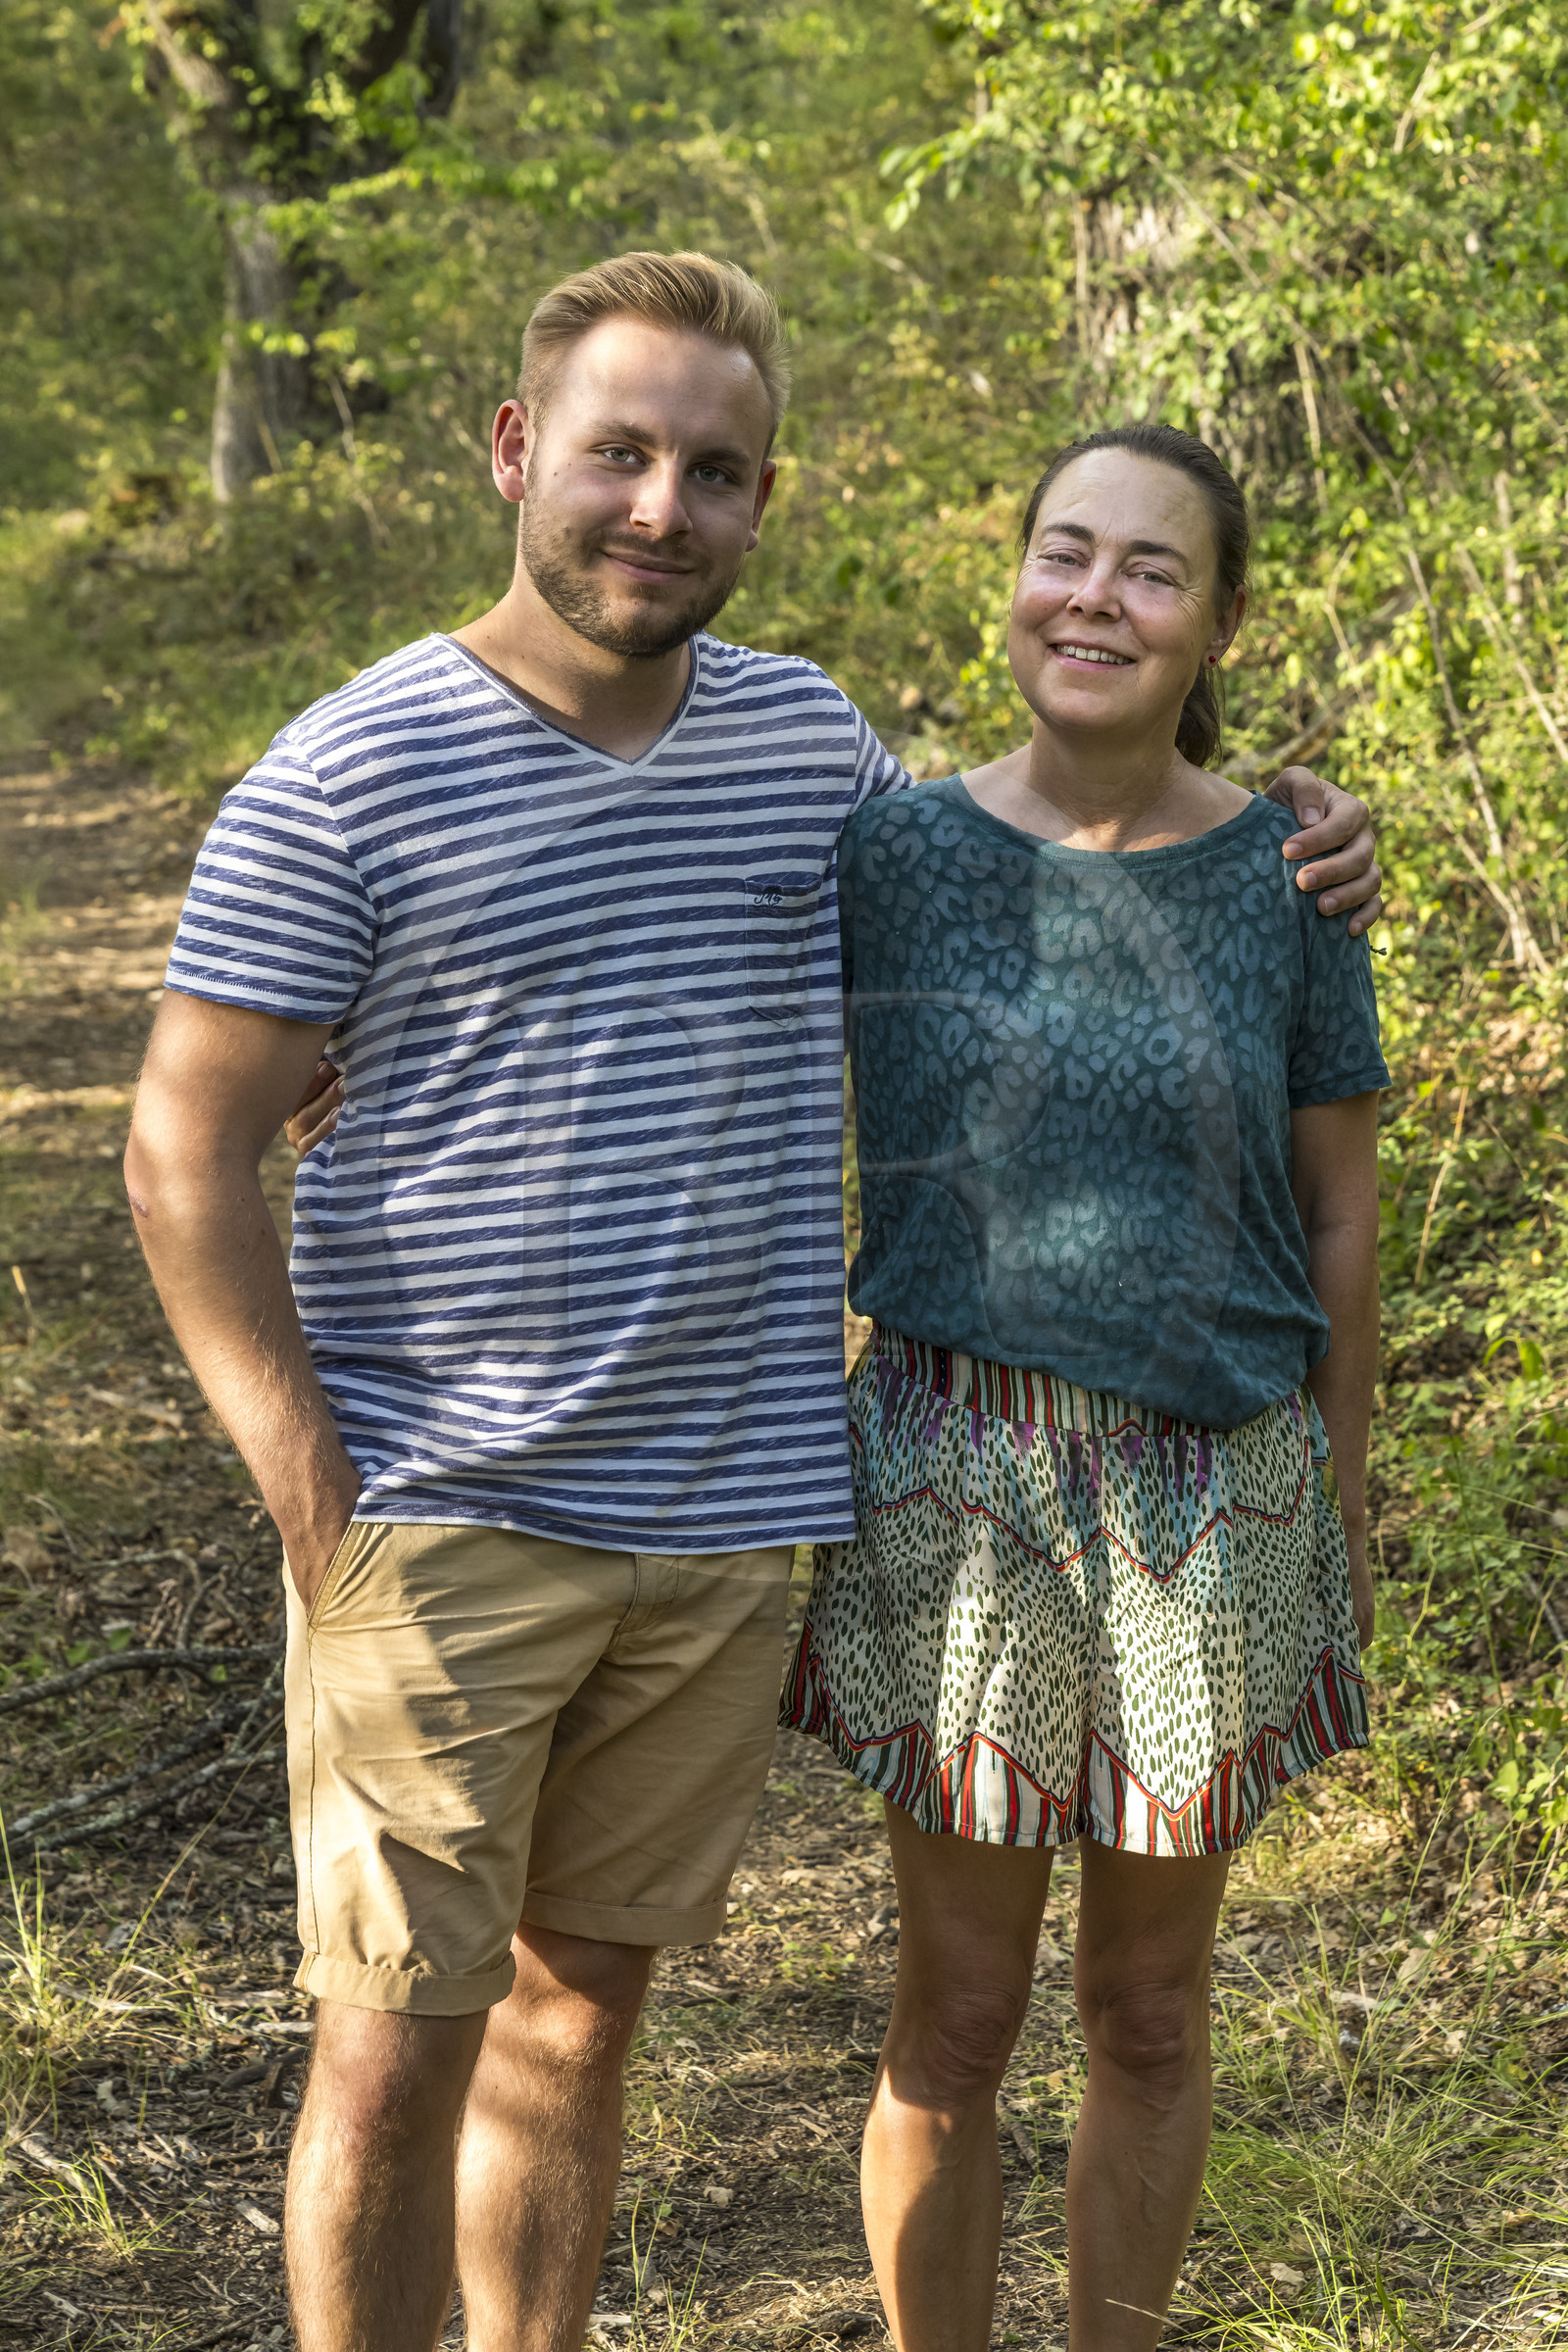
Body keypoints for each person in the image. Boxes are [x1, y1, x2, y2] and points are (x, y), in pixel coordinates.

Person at [126, 247, 1381, 2352]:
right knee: (385, 2044)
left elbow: (1063, 875)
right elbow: (181, 1147)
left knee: (572, 2022)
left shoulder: (810, 758)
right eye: (616, 454)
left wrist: (1306, 831)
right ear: (519, 451)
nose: (656, 506)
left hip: (719, 1517)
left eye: (711, 471)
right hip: (446, 1506)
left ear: (760, 499)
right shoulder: (352, 767)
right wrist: (312, 1493)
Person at [780, 423, 1387, 2352]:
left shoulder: (1289, 873)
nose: (1093, 597)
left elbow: (1338, 1221)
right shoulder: (890, 850)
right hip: (960, 1481)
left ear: (1215, 621)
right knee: (952, 2019)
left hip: (1208, 1502)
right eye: (1064, 551)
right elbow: (658, 989)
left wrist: (1340, 1510)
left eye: (1146, 569)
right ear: (1014, 576)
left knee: (1148, 2012)